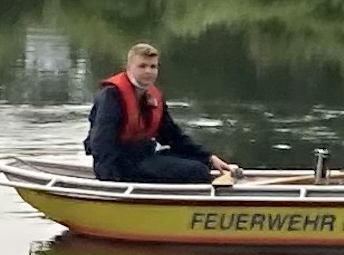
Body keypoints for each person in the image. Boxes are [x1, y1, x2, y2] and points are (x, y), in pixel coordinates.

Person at [83, 42, 241, 185]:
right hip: (121, 163)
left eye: (153, 67)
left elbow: (173, 135)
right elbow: (101, 142)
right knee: (197, 171)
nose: (148, 71)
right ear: (129, 68)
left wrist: (209, 157)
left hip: (144, 156)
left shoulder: (154, 96)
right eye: (142, 66)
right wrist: (108, 182)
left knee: (200, 162)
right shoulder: (111, 95)